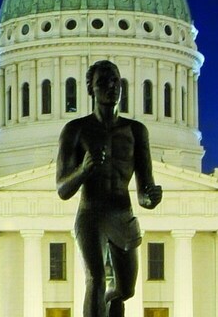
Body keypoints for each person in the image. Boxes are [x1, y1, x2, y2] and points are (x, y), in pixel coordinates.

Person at [57, 60, 163, 317]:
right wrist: (83, 170)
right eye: (103, 82)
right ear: (90, 89)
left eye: (115, 81)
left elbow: (144, 189)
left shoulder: (137, 131)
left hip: (122, 213)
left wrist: (151, 198)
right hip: (91, 213)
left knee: (125, 290)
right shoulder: (75, 130)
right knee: (95, 278)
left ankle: (108, 305)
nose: (111, 87)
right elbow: (62, 189)